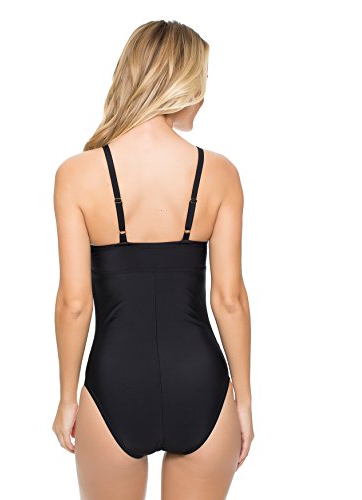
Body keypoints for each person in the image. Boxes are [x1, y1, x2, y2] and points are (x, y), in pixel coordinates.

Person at [52, 20, 254, 500]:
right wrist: (243, 398)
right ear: (180, 83)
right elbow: (229, 299)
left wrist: (66, 397)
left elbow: (75, 304)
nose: (203, 97)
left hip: (114, 383)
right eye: (201, 81)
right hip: (202, 384)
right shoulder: (220, 173)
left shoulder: (76, 175)